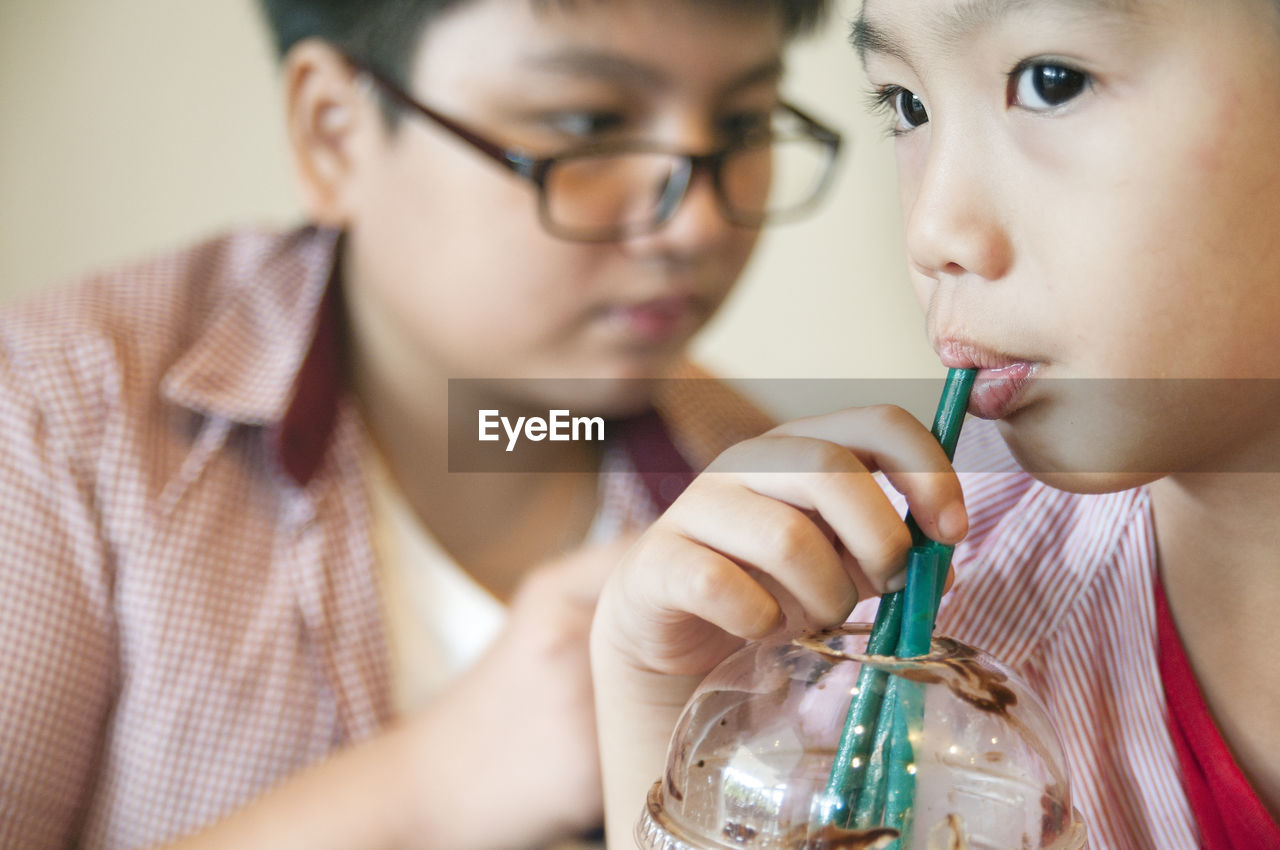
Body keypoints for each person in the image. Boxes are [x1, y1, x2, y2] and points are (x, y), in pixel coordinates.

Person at [0, 1, 844, 847]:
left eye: (744, 124)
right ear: (335, 132)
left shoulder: (778, 519)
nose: (696, 223)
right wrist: (433, 785)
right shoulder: (57, 416)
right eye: (591, 126)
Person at [592, 0, 1280, 847]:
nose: (933, 231)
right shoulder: (921, 687)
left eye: (1051, 83)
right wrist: (665, 736)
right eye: (907, 106)